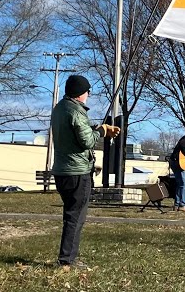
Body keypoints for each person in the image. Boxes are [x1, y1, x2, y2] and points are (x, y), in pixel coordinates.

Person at [50, 74, 120, 270]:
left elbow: (76, 131)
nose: (89, 94)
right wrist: (101, 132)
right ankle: (66, 261)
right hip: (77, 173)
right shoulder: (77, 112)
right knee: (76, 216)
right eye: (88, 91)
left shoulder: (60, 108)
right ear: (82, 93)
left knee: (70, 214)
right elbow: (87, 141)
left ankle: (67, 258)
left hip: (62, 171)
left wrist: (96, 127)